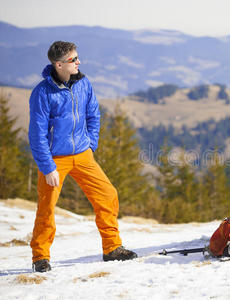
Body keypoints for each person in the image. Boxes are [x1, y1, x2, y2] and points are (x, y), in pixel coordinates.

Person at [28, 41, 137, 272]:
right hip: (55, 160)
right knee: (46, 207)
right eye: (73, 59)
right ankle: (40, 257)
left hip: (83, 155)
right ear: (59, 64)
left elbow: (93, 115)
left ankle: (112, 248)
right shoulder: (42, 93)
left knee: (108, 195)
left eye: (77, 57)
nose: (79, 62)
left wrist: (91, 145)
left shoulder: (84, 84)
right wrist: (48, 168)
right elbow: (37, 135)